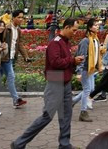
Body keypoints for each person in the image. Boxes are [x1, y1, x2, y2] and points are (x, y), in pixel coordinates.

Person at [11, 18, 85, 149]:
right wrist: (72, 61)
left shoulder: (66, 43)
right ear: (66, 27)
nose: (75, 32)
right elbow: (55, 62)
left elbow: (65, 62)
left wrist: (74, 64)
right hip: (55, 81)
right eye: (74, 30)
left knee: (66, 115)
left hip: (66, 82)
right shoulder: (55, 43)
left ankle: (65, 144)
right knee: (47, 116)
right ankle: (19, 143)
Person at [73, 17, 104, 121]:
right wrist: (79, 72)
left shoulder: (95, 39)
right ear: (90, 27)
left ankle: (72, 102)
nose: (97, 26)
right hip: (85, 69)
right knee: (87, 89)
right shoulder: (86, 41)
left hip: (90, 69)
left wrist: (99, 65)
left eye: (97, 25)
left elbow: (95, 54)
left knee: (90, 89)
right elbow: (81, 56)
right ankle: (83, 112)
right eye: (95, 25)